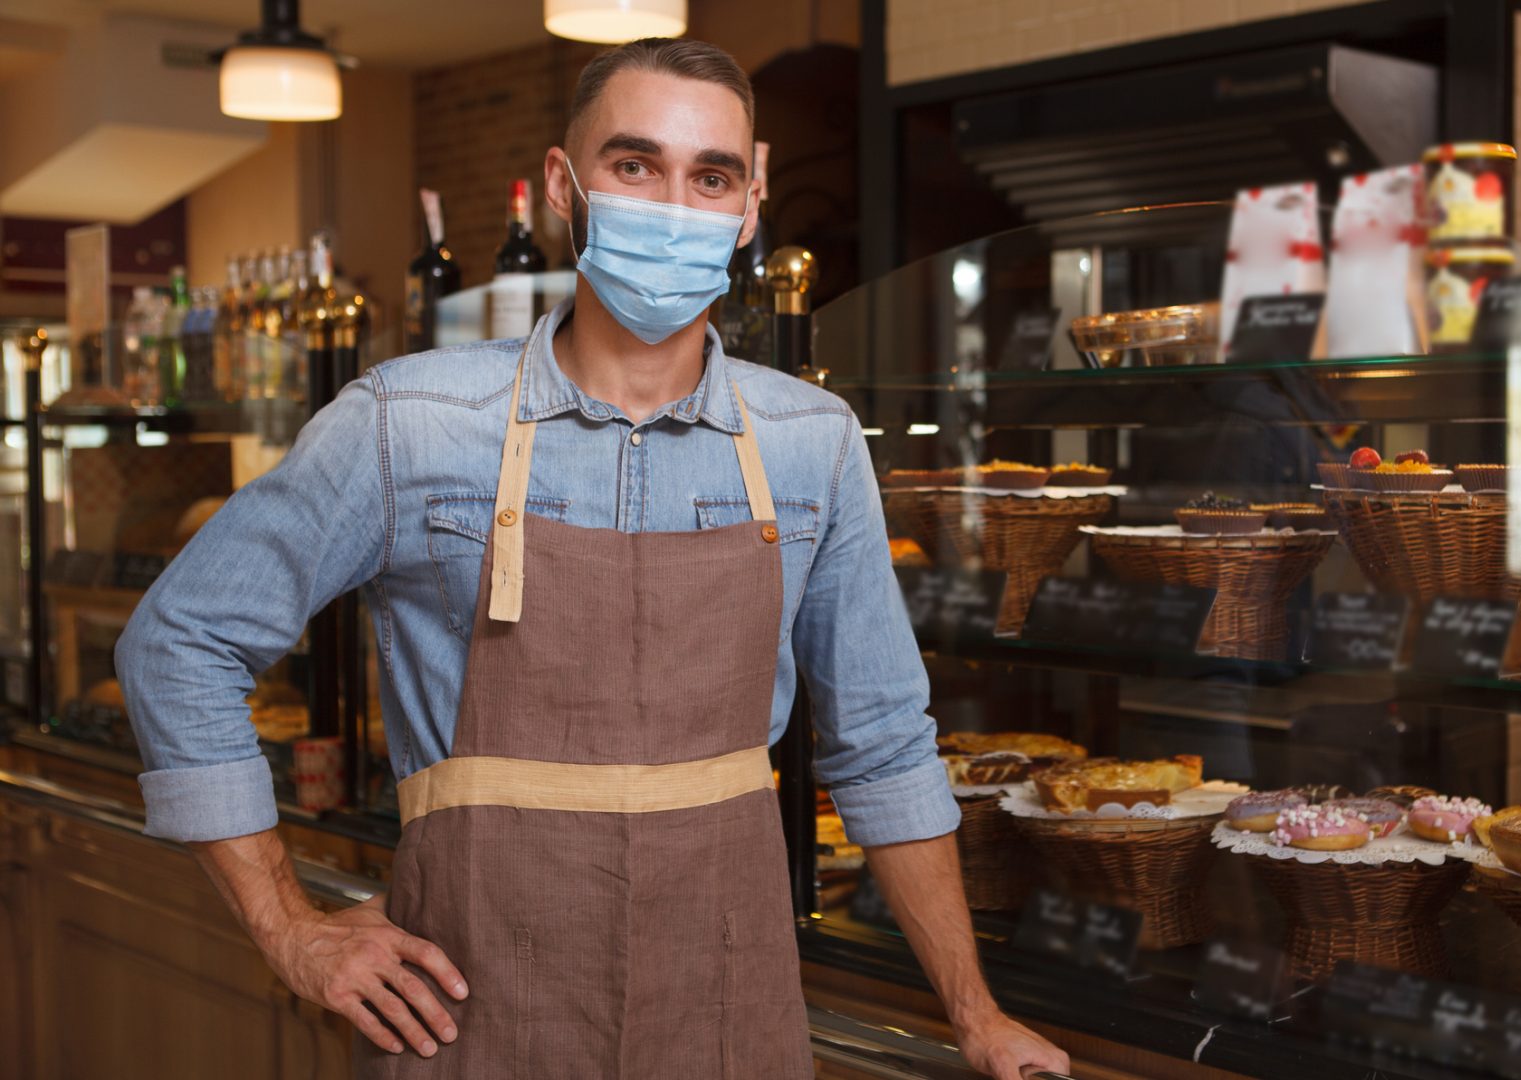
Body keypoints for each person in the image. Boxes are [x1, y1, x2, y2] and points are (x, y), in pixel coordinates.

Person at [115, 38, 1070, 1079]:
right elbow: (180, 642)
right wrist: (292, 931)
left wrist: (975, 1015)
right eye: (634, 165)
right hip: (469, 1021)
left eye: (709, 176)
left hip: (727, 1015)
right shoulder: (410, 422)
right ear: (566, 188)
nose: (673, 202)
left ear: (750, 207)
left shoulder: (813, 442)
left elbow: (884, 745)